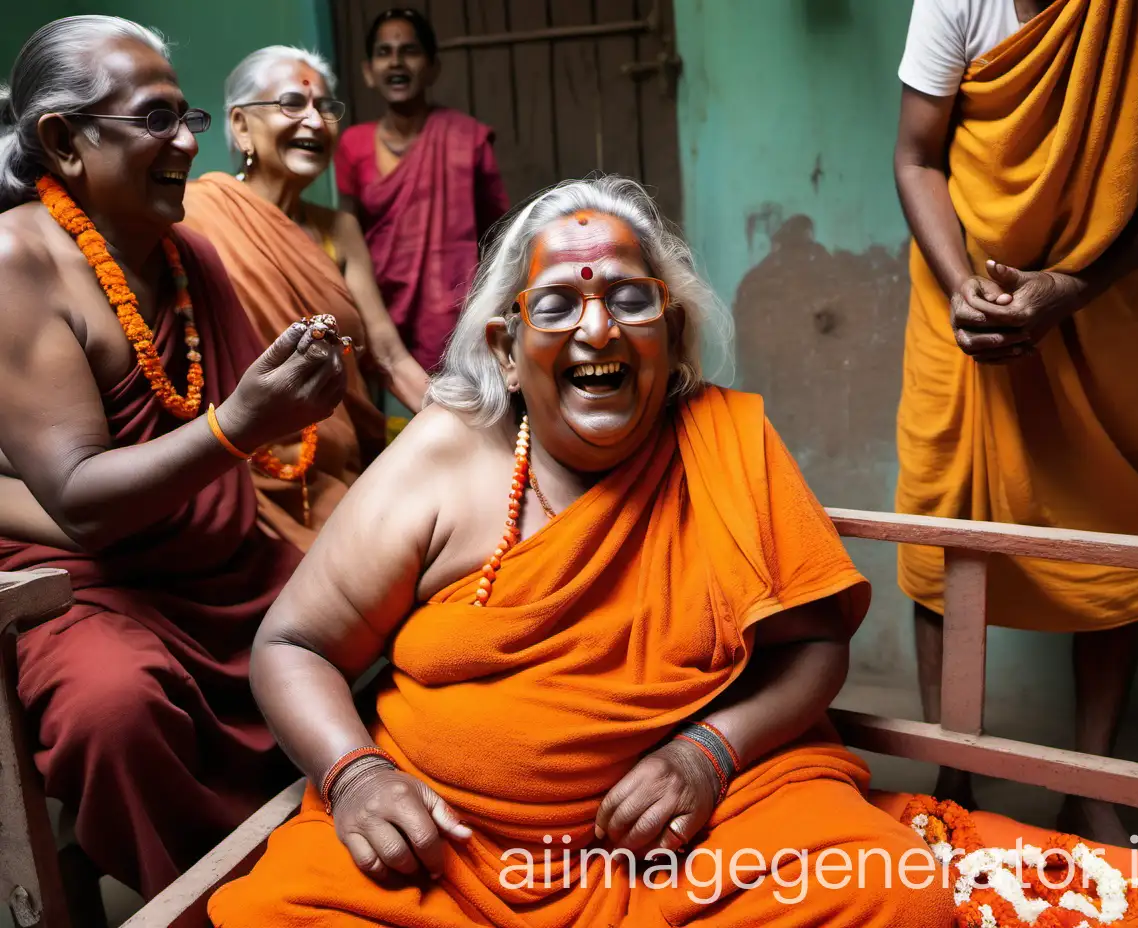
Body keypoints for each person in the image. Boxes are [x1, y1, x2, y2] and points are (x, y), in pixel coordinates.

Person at [207, 177, 953, 927]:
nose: (599, 331)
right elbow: (294, 644)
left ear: (672, 330)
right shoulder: (443, 453)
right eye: (558, 304)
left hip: (703, 835)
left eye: (631, 299)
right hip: (456, 851)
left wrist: (708, 753)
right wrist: (357, 777)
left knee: (892, 893)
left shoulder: (727, 440)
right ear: (505, 349)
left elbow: (815, 644)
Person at [0, 16, 348, 898]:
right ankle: (207, 903)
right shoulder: (17, 264)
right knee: (112, 712)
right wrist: (243, 420)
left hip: (226, 567)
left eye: (187, 117)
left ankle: (329, 864)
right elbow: (80, 499)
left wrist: (291, 403)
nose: (189, 142)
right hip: (94, 586)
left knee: (385, 624)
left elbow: (224, 445)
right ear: (62, 141)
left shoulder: (191, 252)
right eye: (156, 120)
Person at [893, 0, 1138, 844]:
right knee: (947, 521)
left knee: (1118, 521)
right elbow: (916, 158)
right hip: (967, 297)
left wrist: (1079, 284)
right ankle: (953, 777)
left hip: (1115, 299)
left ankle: (1094, 785)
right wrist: (961, 285)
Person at [183, 46, 430, 550]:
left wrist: (479, 423)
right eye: (292, 104)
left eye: (326, 108)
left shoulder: (339, 228)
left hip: (335, 468)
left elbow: (387, 356)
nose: (315, 121)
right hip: (233, 465)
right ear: (242, 125)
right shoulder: (195, 212)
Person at [335, 7, 510, 375]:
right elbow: (347, 238)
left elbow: (498, 236)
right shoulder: (352, 144)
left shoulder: (467, 139)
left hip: (454, 312)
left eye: (410, 51)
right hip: (378, 308)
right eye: (384, 52)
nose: (396, 62)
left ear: (433, 67)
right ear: (369, 71)